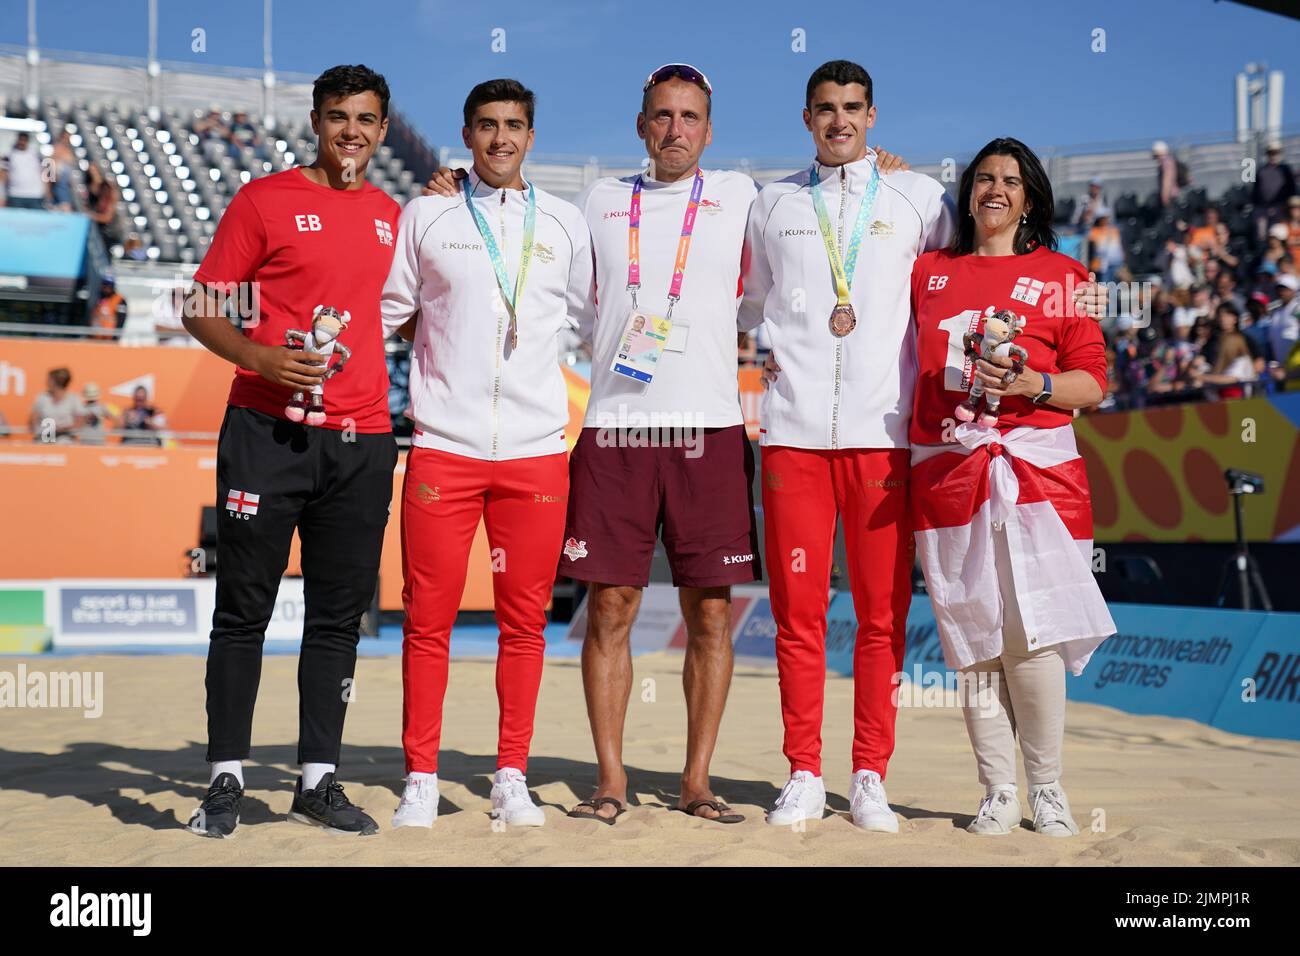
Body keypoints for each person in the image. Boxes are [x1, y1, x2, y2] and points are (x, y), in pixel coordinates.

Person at [420, 67, 911, 825]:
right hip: (615, 430)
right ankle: (610, 781)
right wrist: (455, 188)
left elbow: (786, 266)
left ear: (708, 131)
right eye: (662, 116)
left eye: (690, 117)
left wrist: (886, 166)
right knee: (609, 607)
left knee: (710, 614)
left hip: (709, 431)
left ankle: (696, 780)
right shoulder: (597, 202)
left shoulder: (749, 197)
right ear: (640, 126)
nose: (676, 129)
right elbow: (549, 270)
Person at [181, 64, 401, 839]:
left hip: (364, 440)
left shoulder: (394, 215)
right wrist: (261, 357)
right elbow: (200, 307)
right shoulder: (264, 199)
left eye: (367, 119)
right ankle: (225, 779)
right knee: (243, 612)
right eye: (339, 116)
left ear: (382, 129)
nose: (352, 132)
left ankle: (317, 780)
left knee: (339, 620)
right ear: (315, 121)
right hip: (266, 434)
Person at [739, 60, 957, 831]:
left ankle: (869, 774)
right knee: (797, 614)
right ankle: (802, 770)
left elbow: (964, 283)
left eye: (852, 108)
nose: (839, 120)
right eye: (825, 109)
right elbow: (747, 303)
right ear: (807, 119)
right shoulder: (771, 203)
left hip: (885, 438)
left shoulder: (922, 198)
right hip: (793, 438)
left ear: (873, 115)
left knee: (881, 618)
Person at [380, 78, 593, 829]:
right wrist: (450, 347)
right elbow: (396, 313)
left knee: (524, 622)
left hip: (537, 452)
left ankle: (510, 773)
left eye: (513, 126)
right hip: (444, 447)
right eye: (486, 126)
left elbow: (594, 320)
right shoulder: (429, 213)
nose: (501, 139)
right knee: (426, 619)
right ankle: (421, 776)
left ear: (531, 135)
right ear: (466, 135)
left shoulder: (565, 223)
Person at [909, 137, 1115, 837]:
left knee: (1036, 634)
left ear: (1030, 199)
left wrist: (1038, 384)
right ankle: (998, 790)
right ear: (966, 192)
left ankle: (1048, 788)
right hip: (949, 470)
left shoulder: (1066, 274)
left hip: (1038, 469)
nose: (994, 190)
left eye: (1010, 181)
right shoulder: (928, 269)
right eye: (984, 179)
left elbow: (1094, 381)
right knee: (975, 638)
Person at [1253, 142, 1296, 242]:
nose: (1273, 156)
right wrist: (1261, 207)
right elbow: (1256, 192)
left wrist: (1286, 207)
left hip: (1281, 208)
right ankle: (1263, 255)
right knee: (1262, 236)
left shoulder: (1285, 170)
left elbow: (1292, 189)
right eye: (1271, 153)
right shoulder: (1262, 171)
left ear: (1280, 154)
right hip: (1263, 210)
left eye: (1276, 153)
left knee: (1279, 234)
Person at [28, 367, 83, 443]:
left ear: (56, 382)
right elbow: (33, 419)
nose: (46, 382)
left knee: (63, 442)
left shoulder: (73, 399)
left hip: (65, 437)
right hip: (44, 437)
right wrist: (41, 430)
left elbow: (79, 422)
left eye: (49, 379)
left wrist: (62, 429)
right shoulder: (42, 397)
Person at [2, 132, 48, 209]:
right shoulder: (9, 155)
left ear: (27, 141)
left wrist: (47, 190)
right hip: (15, 194)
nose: (22, 142)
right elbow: (3, 175)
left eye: (24, 140)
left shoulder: (36, 154)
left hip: (35, 194)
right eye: (21, 140)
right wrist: (2, 195)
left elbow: (46, 170)